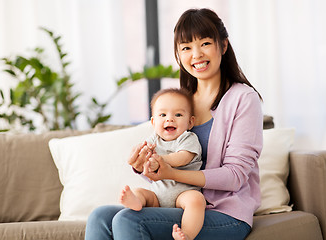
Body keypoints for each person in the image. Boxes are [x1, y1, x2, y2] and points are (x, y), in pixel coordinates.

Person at [85, 8, 263, 240]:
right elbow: (165, 161)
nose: (196, 55)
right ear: (178, 54)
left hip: (225, 213)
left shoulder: (243, 98)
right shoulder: (180, 101)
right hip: (176, 203)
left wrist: (170, 171)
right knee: (100, 216)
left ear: (224, 45)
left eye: (205, 43)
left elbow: (235, 176)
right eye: (186, 47)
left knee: (128, 219)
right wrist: (144, 166)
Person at [120, 88, 205, 240]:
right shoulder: (153, 140)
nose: (170, 119)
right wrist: (143, 158)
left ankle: (186, 234)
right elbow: (145, 162)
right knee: (140, 191)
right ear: (153, 122)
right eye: (163, 115)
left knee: (196, 200)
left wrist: (159, 160)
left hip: (183, 194)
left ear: (190, 122)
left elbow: (183, 158)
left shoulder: (188, 138)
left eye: (178, 115)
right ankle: (135, 202)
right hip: (158, 196)